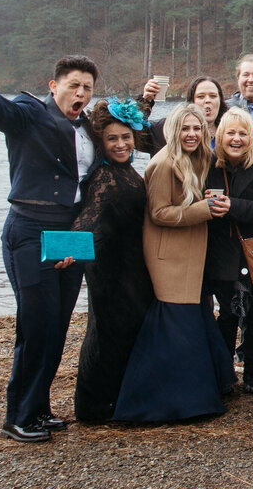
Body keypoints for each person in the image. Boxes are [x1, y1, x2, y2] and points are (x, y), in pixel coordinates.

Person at [0, 46, 98, 442]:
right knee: (35, 326)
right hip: (30, 229)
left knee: (56, 327)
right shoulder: (30, 112)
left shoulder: (87, 125)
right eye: (74, 85)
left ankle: (39, 408)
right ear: (54, 86)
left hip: (69, 231)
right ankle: (17, 416)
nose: (81, 93)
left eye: (87, 88)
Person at [114, 104, 236, 421]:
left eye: (197, 129)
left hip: (192, 254)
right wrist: (205, 210)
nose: (192, 134)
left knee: (195, 318)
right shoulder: (163, 164)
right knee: (175, 327)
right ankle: (169, 402)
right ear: (173, 131)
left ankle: (208, 388)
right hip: (168, 256)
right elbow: (159, 213)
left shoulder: (199, 159)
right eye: (185, 129)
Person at [69, 98, 156, 422]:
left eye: (125, 138)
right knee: (107, 332)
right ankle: (94, 407)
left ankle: (118, 398)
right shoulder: (104, 177)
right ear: (101, 143)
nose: (120, 144)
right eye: (112, 139)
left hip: (131, 262)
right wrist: (69, 250)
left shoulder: (126, 168)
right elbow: (88, 219)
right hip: (109, 266)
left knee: (128, 330)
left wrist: (146, 101)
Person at [203, 107, 253, 394]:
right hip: (220, 251)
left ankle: (251, 371)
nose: (236, 139)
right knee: (226, 314)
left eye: (242, 133)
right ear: (220, 135)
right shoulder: (209, 163)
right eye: (230, 133)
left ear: (251, 136)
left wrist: (233, 206)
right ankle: (225, 373)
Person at [147, 75, 227, 150]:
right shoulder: (168, 128)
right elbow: (138, 133)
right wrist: (146, 101)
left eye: (213, 96)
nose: (207, 100)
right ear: (191, 102)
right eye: (201, 96)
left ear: (220, 100)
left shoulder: (230, 132)